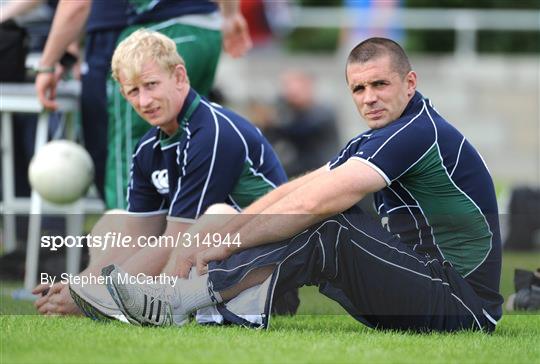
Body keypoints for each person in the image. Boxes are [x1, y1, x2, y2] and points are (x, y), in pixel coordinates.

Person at [105, 37, 503, 332]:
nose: (368, 98)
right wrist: (229, 230)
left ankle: (183, 299)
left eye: (380, 84)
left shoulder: (417, 131)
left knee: (330, 222)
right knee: (314, 211)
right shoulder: (378, 135)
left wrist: (230, 242)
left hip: (463, 305)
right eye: (359, 89)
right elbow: (295, 191)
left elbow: (317, 202)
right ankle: (219, 301)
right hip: (422, 283)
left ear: (410, 83)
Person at [32, 29, 285, 317]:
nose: (144, 101)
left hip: (264, 270)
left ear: (179, 77)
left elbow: (179, 238)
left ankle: (137, 305)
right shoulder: (147, 149)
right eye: (133, 91)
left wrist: (94, 297)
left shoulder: (212, 132)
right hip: (203, 261)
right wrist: (79, 287)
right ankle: (125, 302)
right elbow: (135, 239)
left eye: (151, 85)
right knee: (112, 224)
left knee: (215, 216)